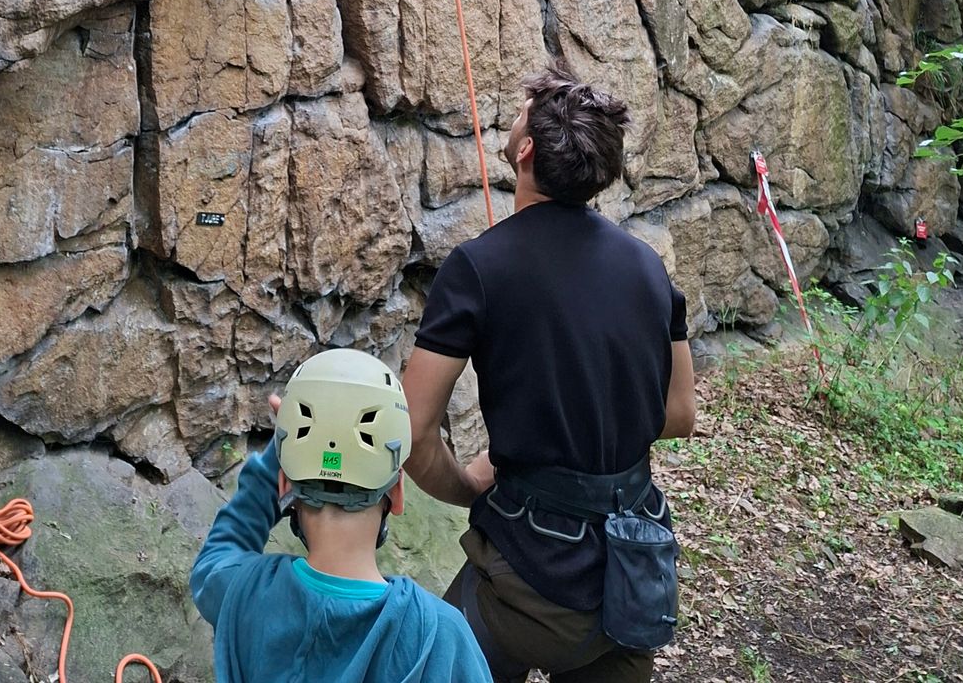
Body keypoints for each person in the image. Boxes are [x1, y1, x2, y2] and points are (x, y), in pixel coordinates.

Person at [402, 67, 697, 681]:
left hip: (527, 579)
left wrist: (468, 484)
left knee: (428, 660)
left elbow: (411, 429)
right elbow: (679, 416)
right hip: (630, 584)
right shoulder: (648, 268)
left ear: (527, 149)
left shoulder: (477, 269)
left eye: (517, 117)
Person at [190, 347, 493, 683]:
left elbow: (219, 552)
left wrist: (281, 453)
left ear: (284, 486)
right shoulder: (439, 638)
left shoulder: (240, 591)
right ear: (396, 494)